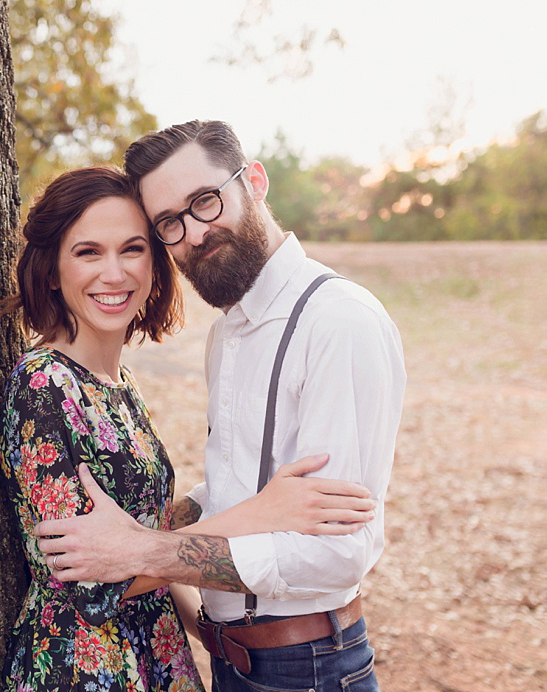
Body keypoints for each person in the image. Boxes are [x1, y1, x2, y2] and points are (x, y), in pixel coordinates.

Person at [32, 122, 405, 692]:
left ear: (253, 181)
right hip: (228, 659)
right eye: (169, 224)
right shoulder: (227, 335)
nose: (195, 234)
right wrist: (174, 525)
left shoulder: (338, 321)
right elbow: (240, 491)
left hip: (304, 666)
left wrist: (144, 549)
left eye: (205, 201)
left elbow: (338, 554)